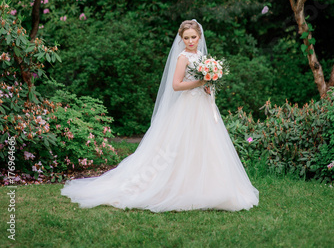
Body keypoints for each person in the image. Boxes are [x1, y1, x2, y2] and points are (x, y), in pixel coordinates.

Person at [61, 19, 259, 212]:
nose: (190, 41)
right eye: (187, 37)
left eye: (194, 37)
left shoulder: (203, 58)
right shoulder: (183, 57)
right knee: (178, 146)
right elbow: (176, 85)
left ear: (200, 37)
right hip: (187, 106)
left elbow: (203, 82)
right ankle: (174, 186)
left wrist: (207, 86)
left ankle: (209, 187)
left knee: (205, 144)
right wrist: (199, 83)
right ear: (181, 39)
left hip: (203, 106)